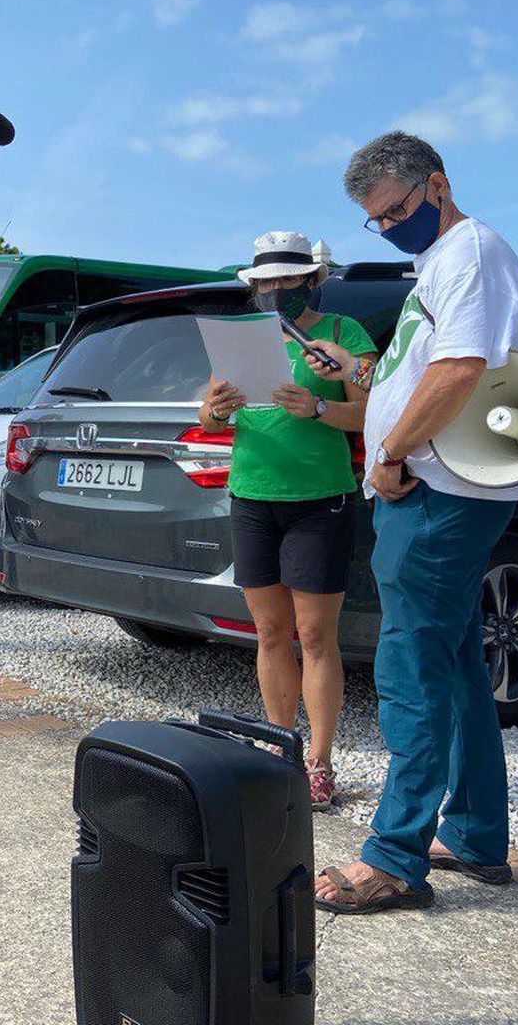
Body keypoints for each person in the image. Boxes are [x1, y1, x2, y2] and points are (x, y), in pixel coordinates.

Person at [310, 132, 518, 915]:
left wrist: (392, 453)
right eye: (377, 219)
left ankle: (395, 856)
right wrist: (368, 378)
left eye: (398, 209)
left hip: (436, 489)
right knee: (457, 662)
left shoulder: (469, 250)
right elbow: (426, 362)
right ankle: (474, 832)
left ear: (438, 184)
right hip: (437, 487)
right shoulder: (438, 264)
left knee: (410, 670)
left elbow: (463, 368)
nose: (390, 225)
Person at [198, 231, 376, 810]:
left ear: (312, 279)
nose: (276, 290)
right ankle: (281, 748)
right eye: (266, 282)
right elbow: (211, 417)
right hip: (252, 495)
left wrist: (321, 407)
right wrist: (214, 411)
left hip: (319, 499)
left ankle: (321, 762)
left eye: (288, 280)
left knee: (317, 636)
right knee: (270, 633)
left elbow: (373, 414)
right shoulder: (243, 338)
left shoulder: (345, 336)